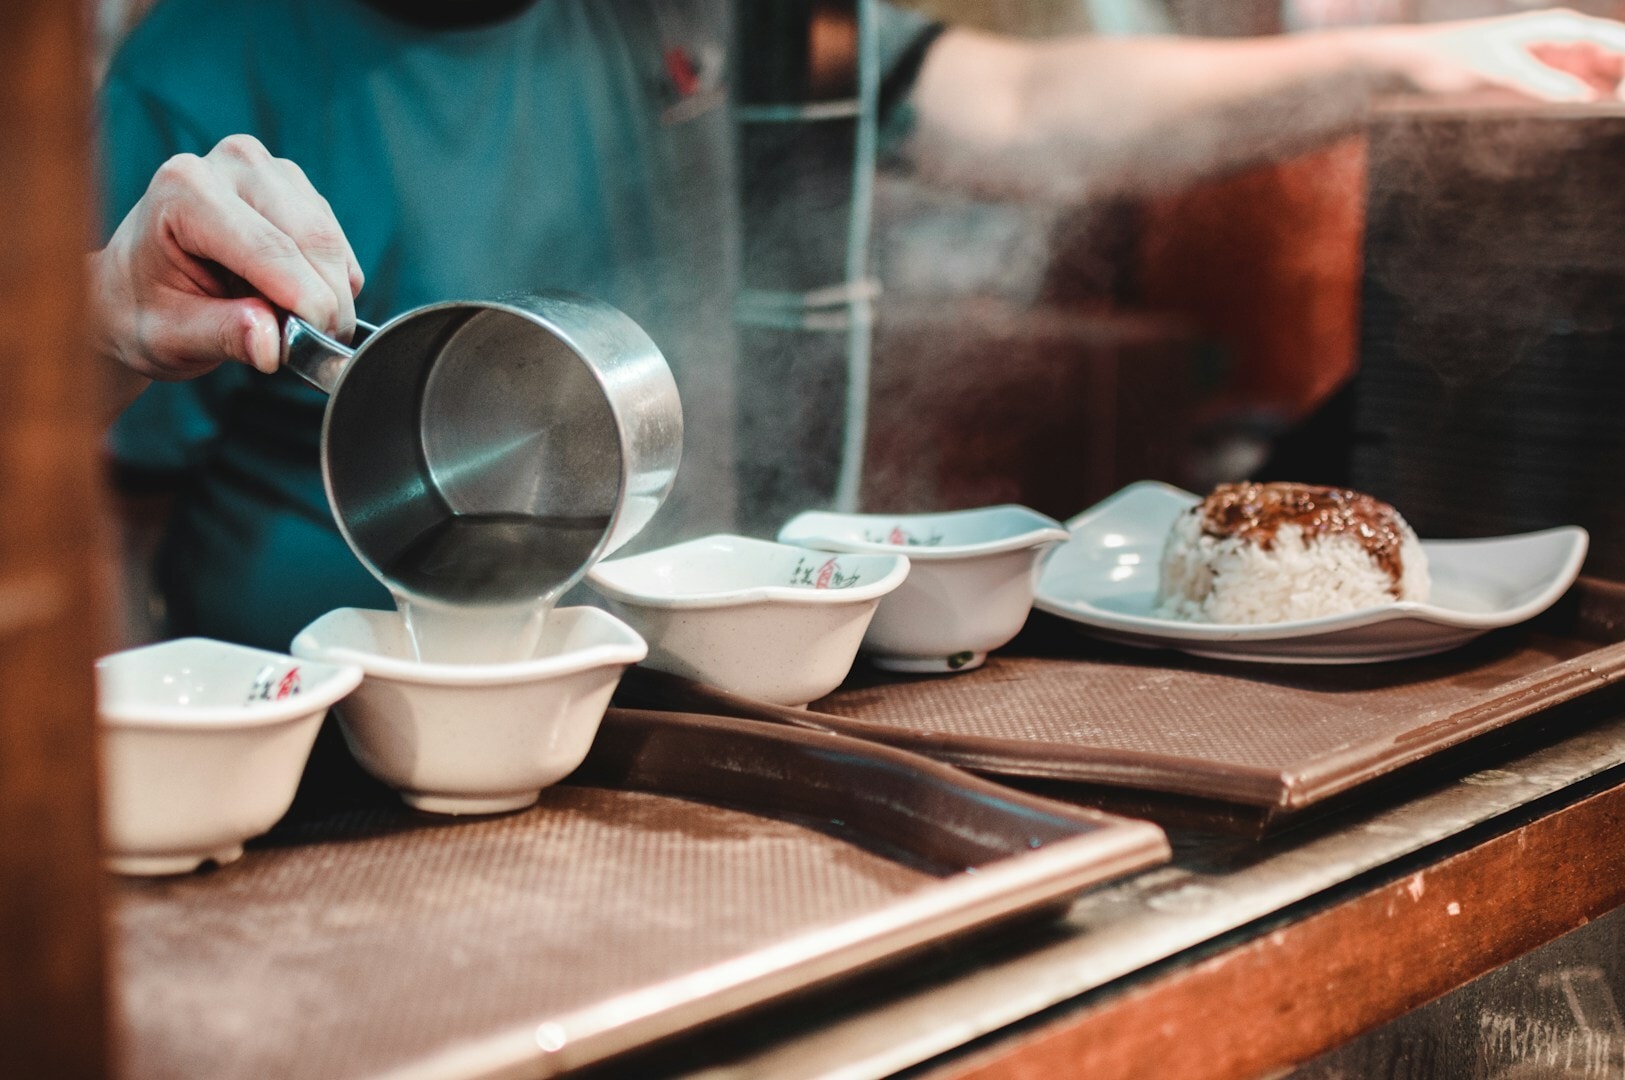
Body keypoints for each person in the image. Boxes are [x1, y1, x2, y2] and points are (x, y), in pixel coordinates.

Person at [93, 1, 1625, 651]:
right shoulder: (197, 65)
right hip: (320, 721)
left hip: (673, 701)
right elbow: (97, 506)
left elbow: (1018, 102)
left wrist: (1406, 64)